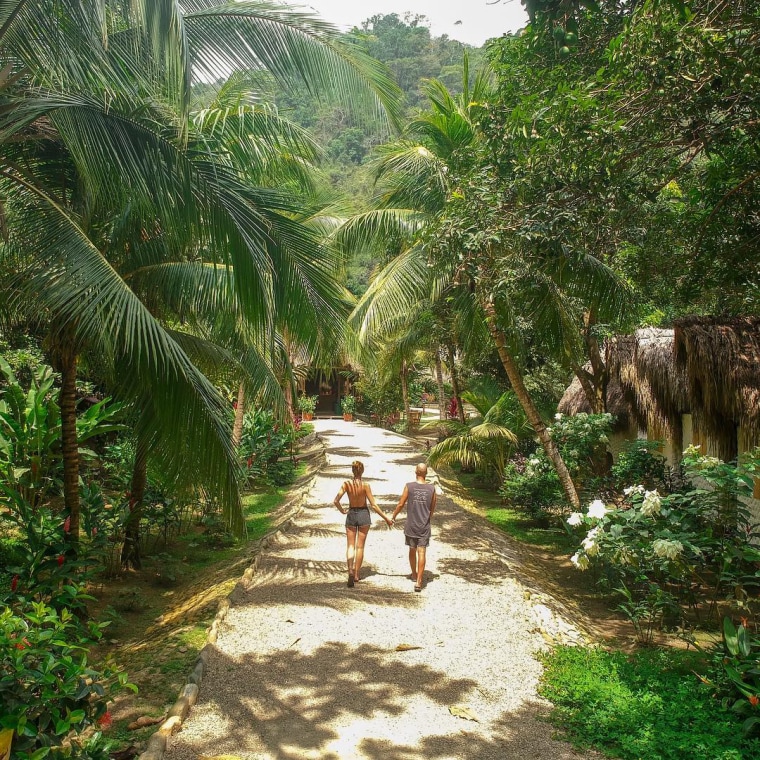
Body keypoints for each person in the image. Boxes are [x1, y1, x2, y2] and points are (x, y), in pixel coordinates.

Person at [333, 460, 392, 587]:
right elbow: (374, 505)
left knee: (350, 546)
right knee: (360, 547)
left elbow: (336, 500)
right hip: (364, 514)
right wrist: (386, 518)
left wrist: (342, 510)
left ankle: (350, 570)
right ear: (362, 471)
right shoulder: (365, 485)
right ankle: (356, 574)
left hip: (351, 513)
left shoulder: (346, 484)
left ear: (352, 471)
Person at [390, 463, 437, 592]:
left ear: (416, 472)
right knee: (422, 552)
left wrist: (393, 516)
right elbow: (432, 508)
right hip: (424, 525)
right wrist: (427, 518)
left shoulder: (409, 486)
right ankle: (419, 581)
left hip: (411, 525)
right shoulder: (432, 489)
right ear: (426, 473)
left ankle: (414, 573)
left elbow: (400, 504)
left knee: (412, 549)